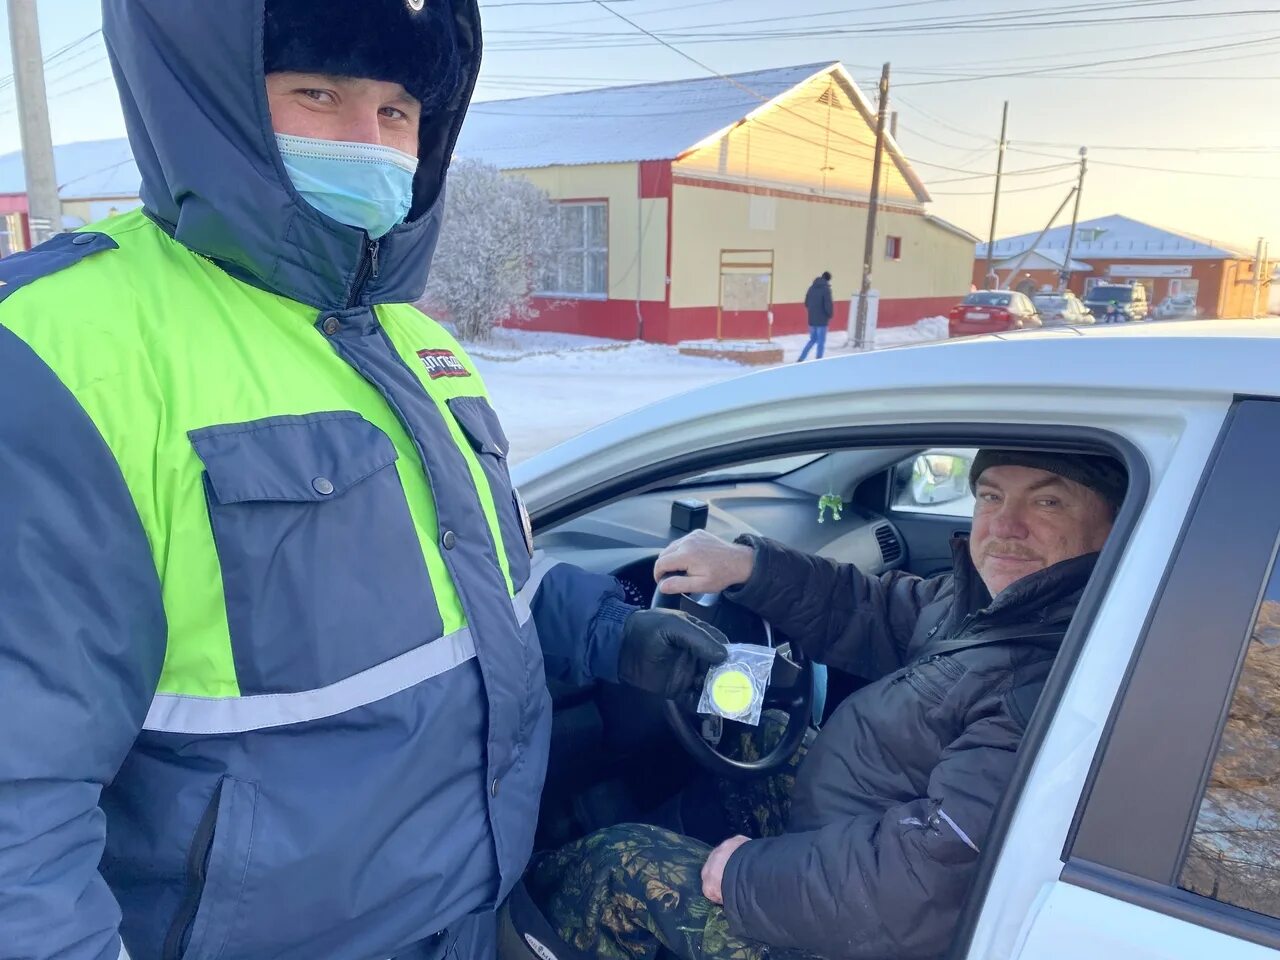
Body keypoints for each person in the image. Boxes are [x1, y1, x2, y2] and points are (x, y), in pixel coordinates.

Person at [0, 3, 727, 958]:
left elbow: (474, 580)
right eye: (317, 94)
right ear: (209, 98)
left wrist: (609, 632)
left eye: (396, 112)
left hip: (468, 914)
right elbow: (20, 818)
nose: (368, 142)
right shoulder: (66, 351)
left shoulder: (415, 341)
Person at [527, 450, 1127, 960]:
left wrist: (744, 877)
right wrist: (749, 567)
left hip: (878, 929)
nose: (1005, 527)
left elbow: (928, 881)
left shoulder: (1043, 673)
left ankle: (531, 916)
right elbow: (876, 611)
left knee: (619, 862)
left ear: (1113, 524)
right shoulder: (1005, 609)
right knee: (759, 731)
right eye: (991, 496)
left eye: (1048, 503)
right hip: (872, 841)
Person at [798, 271, 834, 361]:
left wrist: (812, 311)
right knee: (821, 342)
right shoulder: (826, 290)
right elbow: (828, 305)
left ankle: (801, 358)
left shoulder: (811, 288)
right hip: (822, 321)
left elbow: (806, 303)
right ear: (828, 280)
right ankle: (819, 360)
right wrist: (830, 314)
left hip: (811, 320)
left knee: (812, 340)